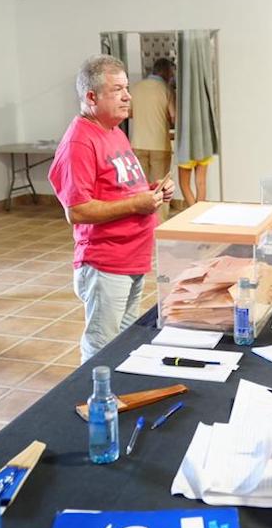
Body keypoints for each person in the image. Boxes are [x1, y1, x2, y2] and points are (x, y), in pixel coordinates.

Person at [49, 54, 174, 362]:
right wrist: (137, 203)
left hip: (132, 257)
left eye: (126, 87)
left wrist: (152, 191)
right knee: (102, 346)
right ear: (91, 97)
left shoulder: (114, 131)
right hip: (106, 263)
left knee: (125, 342)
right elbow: (77, 211)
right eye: (118, 89)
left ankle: (118, 399)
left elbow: (119, 188)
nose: (128, 96)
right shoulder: (79, 142)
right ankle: (96, 403)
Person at [129, 58, 176, 219]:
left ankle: (142, 223)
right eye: (171, 72)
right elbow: (174, 116)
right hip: (159, 145)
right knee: (161, 187)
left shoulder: (135, 88)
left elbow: (128, 113)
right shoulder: (166, 89)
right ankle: (160, 224)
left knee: (140, 187)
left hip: (137, 144)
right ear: (166, 72)